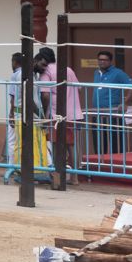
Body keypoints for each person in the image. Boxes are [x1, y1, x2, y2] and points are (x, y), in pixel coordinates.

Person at [35, 47, 84, 181]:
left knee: (57, 146)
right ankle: (75, 177)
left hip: (57, 114)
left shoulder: (46, 72)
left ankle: (58, 176)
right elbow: (78, 89)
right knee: (71, 145)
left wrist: (45, 113)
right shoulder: (68, 69)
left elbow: (45, 95)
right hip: (74, 113)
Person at [92, 50, 132, 155]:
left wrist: (125, 102)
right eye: (100, 59)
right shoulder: (96, 72)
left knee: (116, 143)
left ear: (110, 61)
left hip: (113, 114)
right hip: (97, 113)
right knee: (99, 142)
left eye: (105, 60)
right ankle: (100, 165)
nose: (102, 62)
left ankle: (117, 166)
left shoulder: (117, 73)